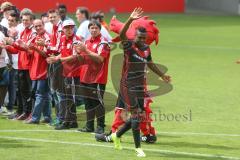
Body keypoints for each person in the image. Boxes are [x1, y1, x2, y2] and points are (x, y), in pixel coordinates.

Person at [110, 8, 171, 157]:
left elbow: (150, 64)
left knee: (139, 116)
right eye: (140, 37)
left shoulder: (146, 49)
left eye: (144, 38)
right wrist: (130, 19)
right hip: (128, 85)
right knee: (136, 115)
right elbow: (123, 33)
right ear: (135, 35)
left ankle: (116, 135)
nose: (142, 40)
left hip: (139, 86)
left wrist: (162, 75)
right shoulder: (129, 46)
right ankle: (138, 148)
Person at [76, 20, 110, 134]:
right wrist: (78, 53)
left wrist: (85, 50)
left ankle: (100, 126)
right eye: (91, 28)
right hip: (85, 77)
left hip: (98, 79)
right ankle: (89, 126)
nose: (94, 30)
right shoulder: (86, 42)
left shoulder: (103, 43)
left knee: (97, 103)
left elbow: (100, 59)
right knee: (88, 103)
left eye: (96, 28)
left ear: (100, 29)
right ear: (89, 29)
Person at [46, 19, 81, 130]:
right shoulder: (62, 39)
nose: (69, 30)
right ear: (63, 29)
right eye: (67, 28)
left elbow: (75, 56)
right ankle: (72, 121)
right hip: (66, 72)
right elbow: (62, 52)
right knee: (67, 97)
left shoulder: (76, 40)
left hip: (74, 73)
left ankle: (67, 121)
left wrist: (59, 60)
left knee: (69, 98)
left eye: (71, 27)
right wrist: (55, 58)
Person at [5, 9, 36, 120]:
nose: (25, 22)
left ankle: (30, 113)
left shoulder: (33, 33)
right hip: (21, 65)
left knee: (29, 91)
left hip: (29, 66)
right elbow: (17, 50)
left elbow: (27, 48)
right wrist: (6, 46)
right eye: (23, 20)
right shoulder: (23, 32)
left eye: (27, 20)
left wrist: (12, 43)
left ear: (32, 21)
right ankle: (24, 112)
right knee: (23, 91)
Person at [24, 19, 51, 124]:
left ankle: (35, 118)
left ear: (43, 25)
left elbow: (47, 54)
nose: (38, 28)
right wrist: (24, 47)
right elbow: (31, 52)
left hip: (43, 71)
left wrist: (35, 48)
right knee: (45, 95)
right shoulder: (35, 37)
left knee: (39, 95)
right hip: (36, 70)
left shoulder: (47, 37)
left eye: (40, 25)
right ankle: (47, 117)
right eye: (36, 26)